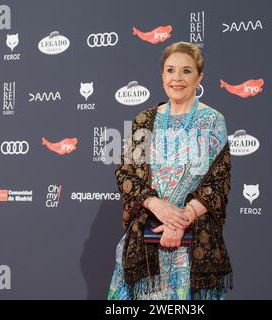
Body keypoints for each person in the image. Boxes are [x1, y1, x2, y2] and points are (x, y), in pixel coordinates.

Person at [108, 41, 233, 300]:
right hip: (145, 244)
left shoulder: (213, 120)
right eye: (170, 70)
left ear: (199, 76)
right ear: (162, 75)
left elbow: (218, 181)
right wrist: (158, 207)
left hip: (192, 246)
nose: (177, 78)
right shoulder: (144, 120)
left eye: (186, 71)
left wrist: (181, 220)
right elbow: (126, 174)